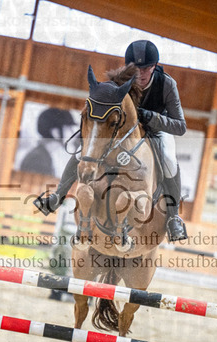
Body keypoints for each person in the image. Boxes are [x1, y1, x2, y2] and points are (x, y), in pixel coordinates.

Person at [34, 40, 188, 241]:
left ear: (154, 66)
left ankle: (173, 218)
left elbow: (180, 126)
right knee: (86, 150)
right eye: (136, 68)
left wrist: (151, 117)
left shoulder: (167, 84)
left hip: (156, 130)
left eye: (146, 68)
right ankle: (57, 196)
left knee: (168, 159)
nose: (141, 74)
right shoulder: (120, 81)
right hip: (123, 131)